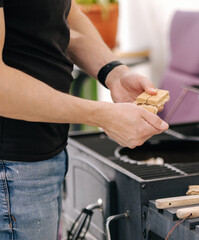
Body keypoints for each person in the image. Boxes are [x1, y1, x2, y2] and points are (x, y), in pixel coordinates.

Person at [0, 0, 169, 239]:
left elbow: (65, 15)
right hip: (11, 169)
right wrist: (101, 115)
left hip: (47, 155)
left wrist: (115, 73)